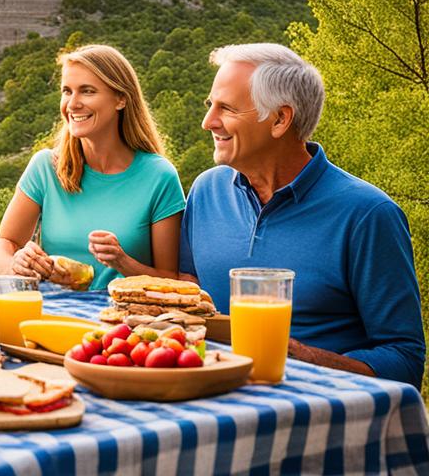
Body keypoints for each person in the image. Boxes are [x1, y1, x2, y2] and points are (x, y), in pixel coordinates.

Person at [180, 43, 424, 386]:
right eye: (210, 106)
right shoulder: (206, 190)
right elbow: (186, 291)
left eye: (227, 109)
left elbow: (405, 359)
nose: (208, 122)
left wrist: (302, 359)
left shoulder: (368, 214)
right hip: (212, 399)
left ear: (280, 119)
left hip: (316, 414)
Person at [0, 44, 186, 291]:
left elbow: (171, 282)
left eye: (87, 91)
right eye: (67, 91)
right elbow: (3, 244)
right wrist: (16, 266)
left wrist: (123, 263)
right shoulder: (45, 168)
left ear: (121, 99)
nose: (72, 104)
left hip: (124, 320)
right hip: (50, 314)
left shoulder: (159, 177)